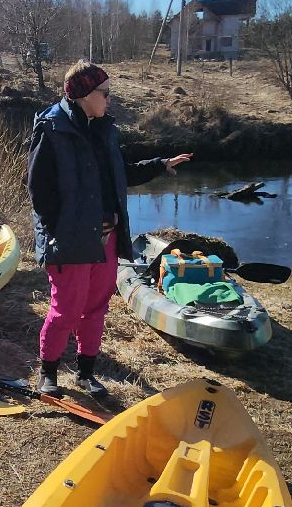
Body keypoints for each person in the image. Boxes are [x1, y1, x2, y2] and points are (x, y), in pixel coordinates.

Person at [26, 61, 192, 400]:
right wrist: (59, 233)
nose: (109, 99)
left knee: (96, 306)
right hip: (69, 239)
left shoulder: (106, 129)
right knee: (66, 308)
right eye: (105, 93)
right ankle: (49, 373)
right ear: (85, 94)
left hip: (107, 237)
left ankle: (86, 373)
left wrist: (159, 166)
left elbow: (121, 174)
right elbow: (38, 191)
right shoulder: (51, 129)